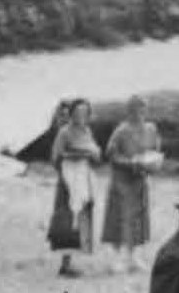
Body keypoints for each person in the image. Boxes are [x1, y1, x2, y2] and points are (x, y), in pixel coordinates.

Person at [102, 96, 163, 273]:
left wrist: (152, 162)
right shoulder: (121, 131)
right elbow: (111, 155)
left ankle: (135, 256)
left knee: (138, 218)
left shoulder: (151, 129)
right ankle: (116, 259)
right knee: (119, 217)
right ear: (128, 111)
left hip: (139, 180)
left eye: (142, 110)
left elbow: (155, 149)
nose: (139, 114)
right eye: (135, 110)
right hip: (121, 180)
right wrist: (130, 162)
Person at [46, 99, 101, 278]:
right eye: (77, 113)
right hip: (68, 183)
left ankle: (72, 261)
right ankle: (65, 263)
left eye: (84, 113)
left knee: (80, 220)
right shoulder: (64, 133)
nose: (81, 117)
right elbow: (55, 157)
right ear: (71, 114)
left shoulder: (87, 131)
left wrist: (91, 155)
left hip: (83, 179)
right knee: (66, 221)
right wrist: (74, 156)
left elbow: (96, 157)